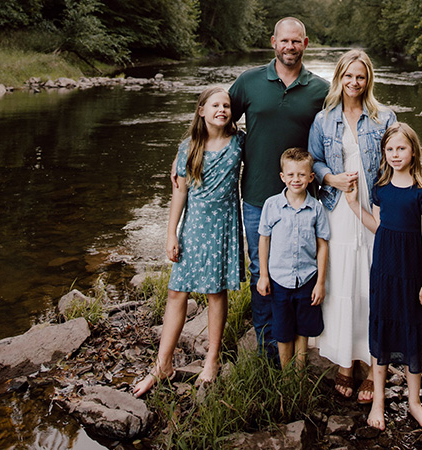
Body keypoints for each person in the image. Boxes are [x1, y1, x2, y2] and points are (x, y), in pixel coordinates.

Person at [173, 17, 329, 361]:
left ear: (305, 44)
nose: (290, 47)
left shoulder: (320, 90)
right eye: (284, 40)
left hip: (302, 198)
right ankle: (268, 349)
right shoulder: (249, 82)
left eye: (297, 41)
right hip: (258, 196)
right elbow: (217, 118)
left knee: (301, 270)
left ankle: (296, 344)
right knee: (263, 272)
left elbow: (334, 135)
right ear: (273, 42)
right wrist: (185, 156)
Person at [307, 49, 422, 404]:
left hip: (375, 205)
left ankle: (371, 361)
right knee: (342, 281)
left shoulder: (384, 117)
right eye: (348, 76)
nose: (354, 82)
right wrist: (330, 178)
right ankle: (345, 363)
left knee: (374, 282)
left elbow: (405, 157)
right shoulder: (323, 119)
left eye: (360, 77)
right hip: (340, 205)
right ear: (339, 78)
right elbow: (314, 161)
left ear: (369, 80)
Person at [134, 86, 245, 397]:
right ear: (201, 111)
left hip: (223, 226)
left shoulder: (239, 143)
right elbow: (179, 192)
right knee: (176, 291)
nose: (221, 110)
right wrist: (171, 233)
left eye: (226, 105)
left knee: (215, 292)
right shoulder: (188, 148)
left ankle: (212, 359)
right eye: (215, 105)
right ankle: (163, 364)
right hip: (194, 227)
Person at [345, 122, 422, 431]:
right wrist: (353, 206)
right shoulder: (381, 188)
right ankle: (378, 401)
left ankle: (414, 402)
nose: (395, 154)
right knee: (382, 330)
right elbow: (378, 226)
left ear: (413, 152)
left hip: (412, 272)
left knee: (413, 330)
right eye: (390, 149)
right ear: (384, 154)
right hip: (385, 270)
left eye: (401, 148)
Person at [257, 148, 330, 369]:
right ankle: (286, 373)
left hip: (307, 279)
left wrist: (320, 283)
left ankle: (298, 375)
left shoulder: (316, 209)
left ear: (310, 178)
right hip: (280, 280)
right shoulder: (272, 205)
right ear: (283, 177)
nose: (295, 179)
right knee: (282, 329)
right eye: (290, 175)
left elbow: (322, 245)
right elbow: (264, 240)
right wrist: (263, 275)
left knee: (303, 329)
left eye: (301, 175)